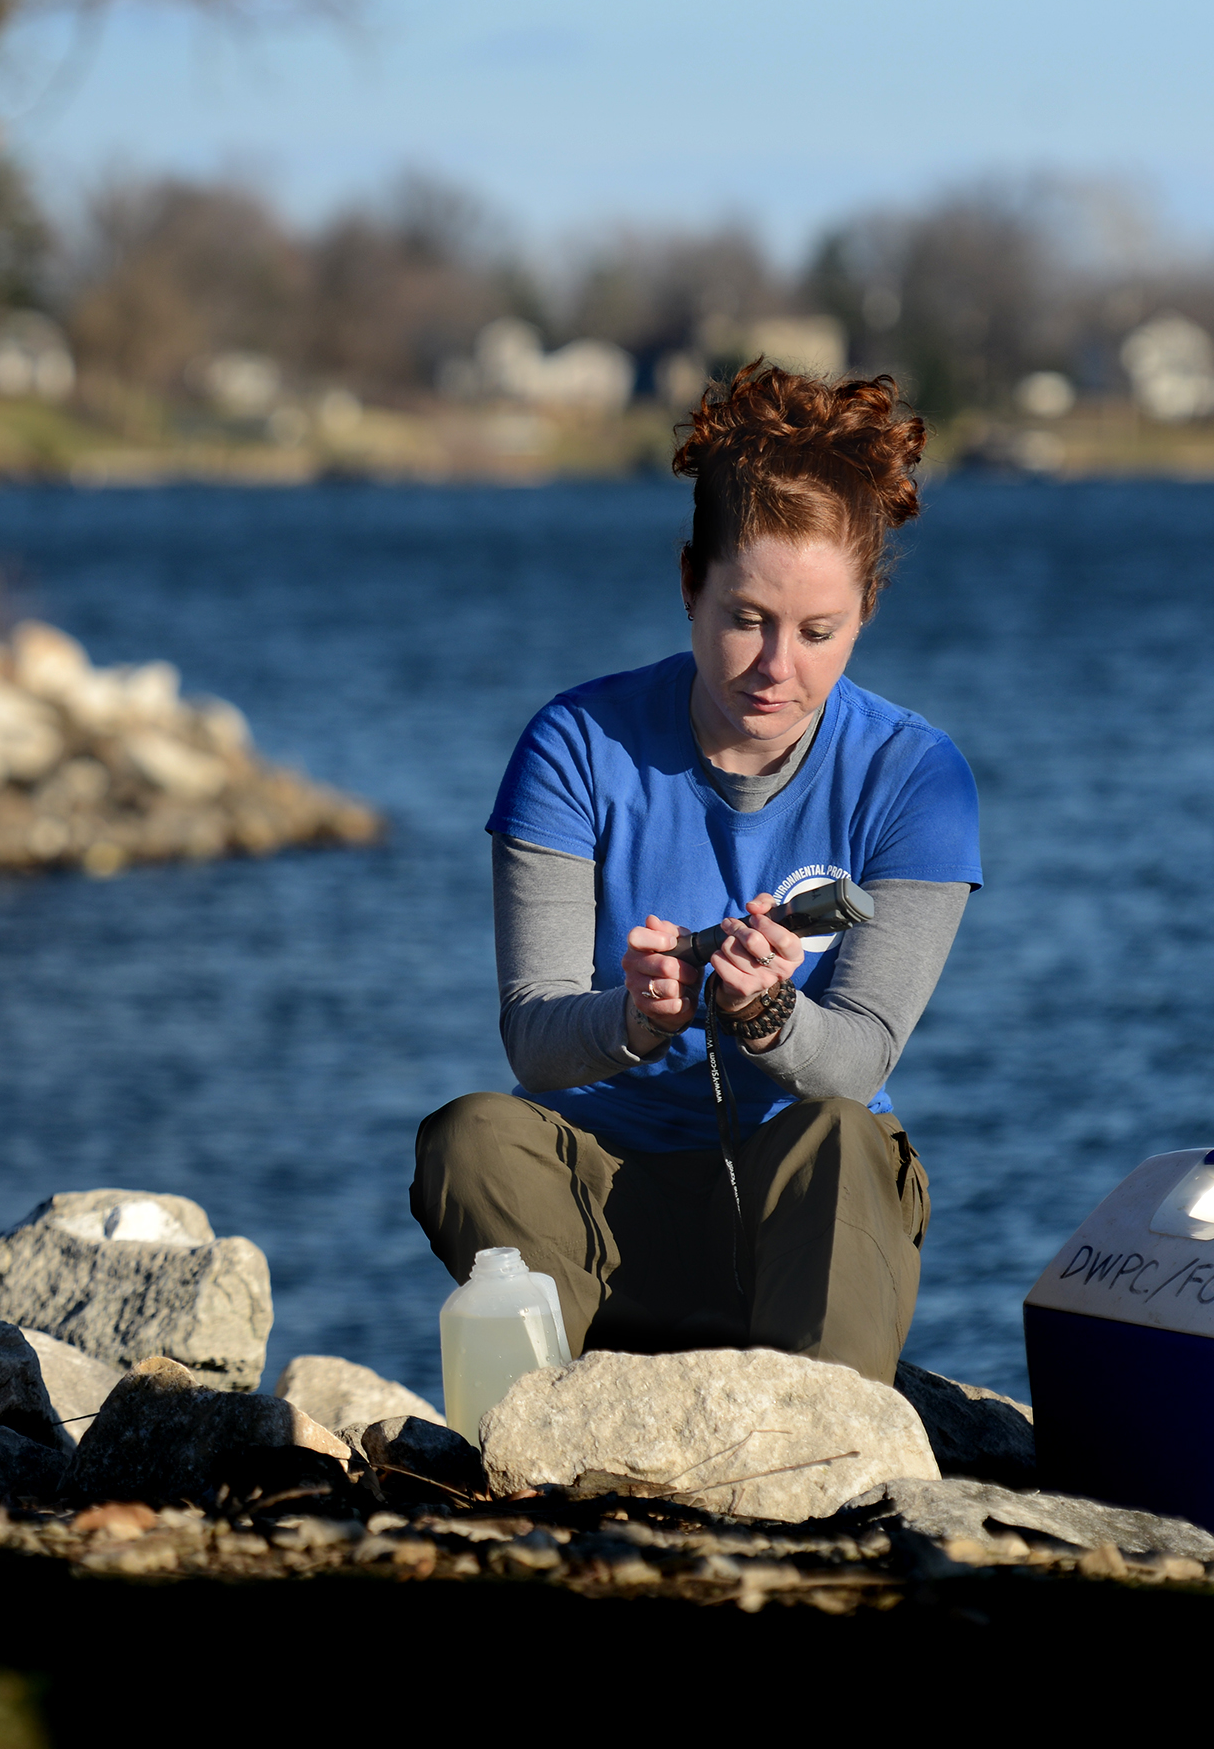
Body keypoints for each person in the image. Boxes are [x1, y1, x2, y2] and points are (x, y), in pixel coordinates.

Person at [410, 365, 979, 1385]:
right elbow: (534, 1040)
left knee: (843, 1137)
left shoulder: (916, 776)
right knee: (472, 1136)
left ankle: (824, 1443)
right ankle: (548, 1417)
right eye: (745, 617)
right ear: (688, 583)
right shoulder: (576, 743)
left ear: (865, 612)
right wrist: (634, 1021)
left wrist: (769, 1019)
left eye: (818, 633)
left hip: (809, 1222)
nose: (776, 667)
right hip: (610, 1215)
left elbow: (854, 1061)